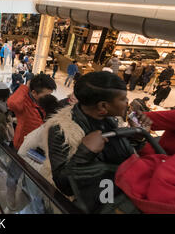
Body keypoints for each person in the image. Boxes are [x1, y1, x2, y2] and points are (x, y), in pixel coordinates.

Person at [22, 72, 152, 213]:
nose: (127, 102)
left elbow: (119, 157)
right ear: (103, 106)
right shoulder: (62, 129)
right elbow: (63, 185)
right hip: (86, 205)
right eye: (123, 98)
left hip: (111, 197)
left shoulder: (109, 120)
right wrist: (84, 153)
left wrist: (136, 137)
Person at [8, 74, 56, 150]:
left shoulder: (45, 103)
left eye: (50, 94)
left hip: (35, 145)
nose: (49, 97)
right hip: (21, 145)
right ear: (34, 93)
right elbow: (12, 103)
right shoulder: (24, 103)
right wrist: (25, 87)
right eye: (47, 95)